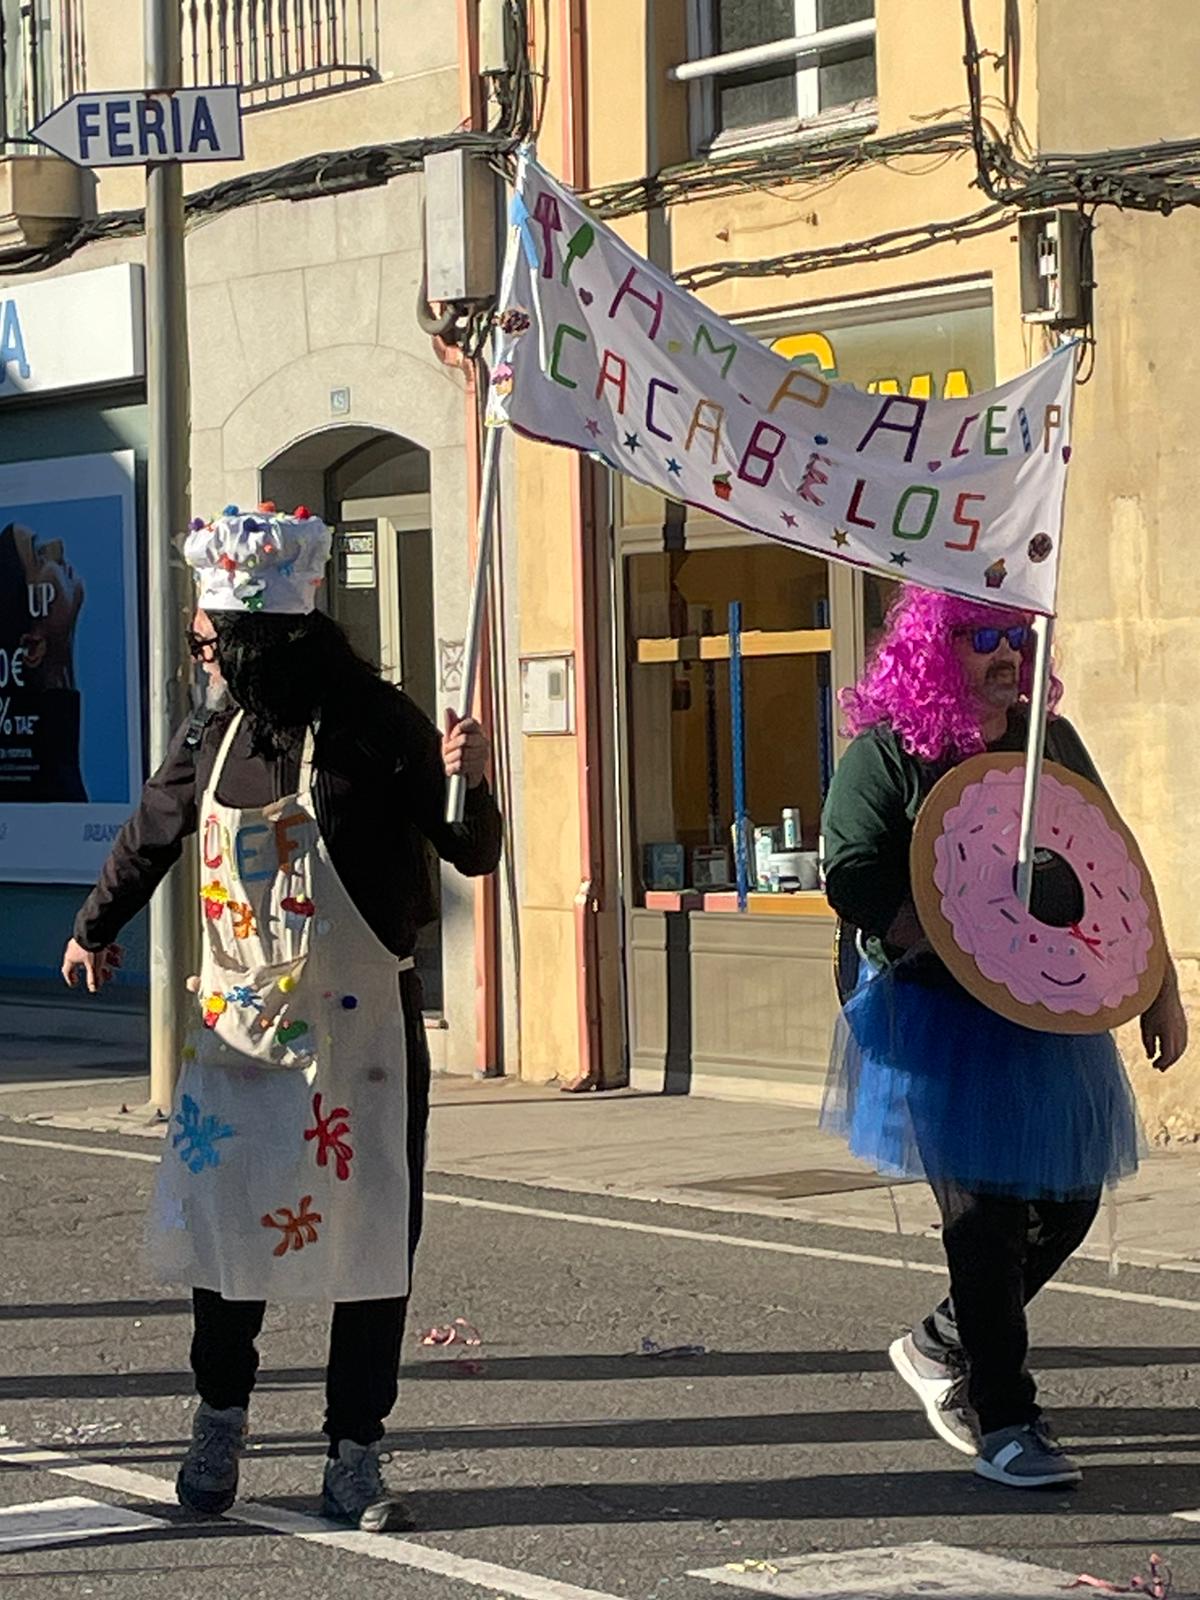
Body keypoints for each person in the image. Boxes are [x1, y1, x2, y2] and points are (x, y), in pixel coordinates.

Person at [60, 505, 502, 1530]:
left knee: (372, 1236)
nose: (200, 653)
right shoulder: (216, 731)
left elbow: (470, 851)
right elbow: (153, 829)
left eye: (209, 638)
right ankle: (220, 1413)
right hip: (240, 1031)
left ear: (263, 639)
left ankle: (354, 1449)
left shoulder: (383, 726)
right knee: (227, 1231)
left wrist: (472, 780)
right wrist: (94, 925)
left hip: (364, 1036)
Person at [820, 584, 1187, 1490]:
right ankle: (1005, 1416)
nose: (1006, 654)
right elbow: (852, 873)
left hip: (1042, 1005)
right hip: (933, 1012)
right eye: (983, 635)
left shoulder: (1045, 743)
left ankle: (943, 1341)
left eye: (1017, 636)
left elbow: (1111, 864)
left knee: (1065, 1201)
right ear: (933, 648)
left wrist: (1159, 986)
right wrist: (943, 926)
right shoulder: (890, 754)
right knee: (982, 1218)